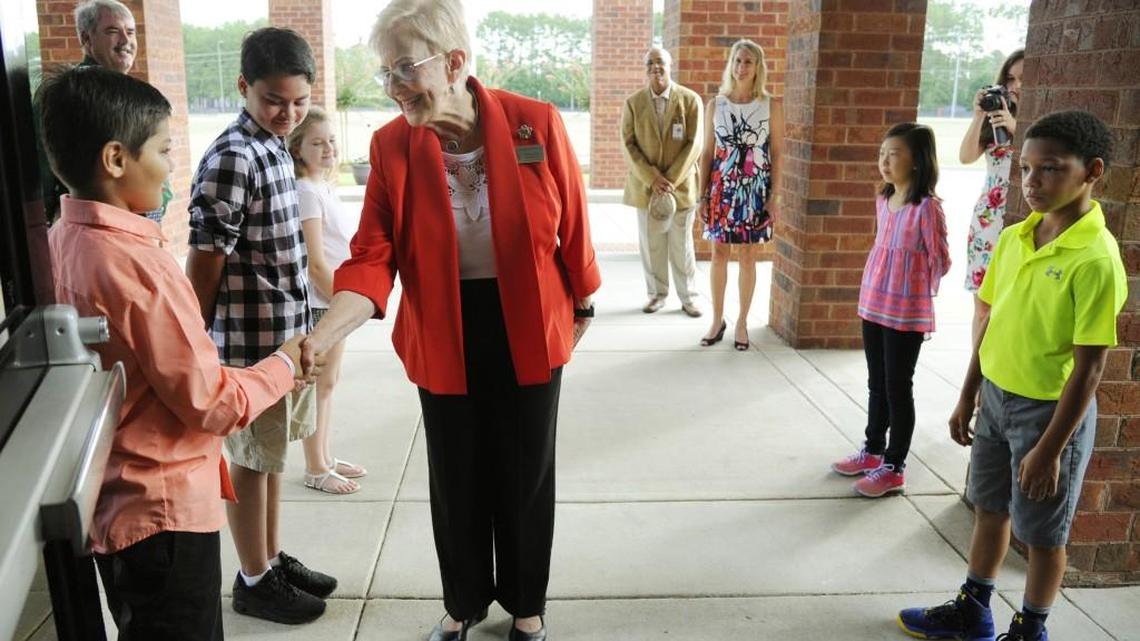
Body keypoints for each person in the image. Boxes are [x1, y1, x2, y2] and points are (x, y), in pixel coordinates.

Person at [300, 1, 601, 639]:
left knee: (524, 475)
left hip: (529, 324)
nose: (392, 86)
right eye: (385, 73)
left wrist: (584, 302)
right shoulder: (390, 147)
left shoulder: (534, 123)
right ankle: (463, 605)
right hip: (442, 327)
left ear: (455, 62)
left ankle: (526, 607)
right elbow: (372, 256)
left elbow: (573, 226)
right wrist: (323, 335)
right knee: (456, 476)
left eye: (403, 68)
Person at [38, 65, 318, 640]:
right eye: (164, 150)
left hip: (112, 503)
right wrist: (284, 365)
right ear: (116, 160)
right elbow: (209, 402)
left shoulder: (59, 241)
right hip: (161, 513)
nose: (171, 168)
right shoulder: (136, 266)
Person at [899, 110, 1125, 641]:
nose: (1032, 182)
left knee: (1043, 535)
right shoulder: (1016, 236)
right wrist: (967, 395)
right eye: (1025, 168)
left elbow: (1090, 368)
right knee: (990, 508)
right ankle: (974, 609)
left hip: (1049, 416)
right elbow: (991, 321)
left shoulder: (1095, 258)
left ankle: (1031, 629)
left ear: (1091, 171)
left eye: (1049, 169)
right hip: (996, 398)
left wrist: (1049, 449)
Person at [186, 27, 334, 625]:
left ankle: (269, 558)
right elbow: (205, 262)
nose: (288, 113)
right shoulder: (232, 157)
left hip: (284, 340)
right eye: (275, 100)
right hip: (247, 350)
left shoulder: (277, 146)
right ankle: (251, 579)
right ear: (243, 86)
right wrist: (197, 338)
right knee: (249, 461)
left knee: (272, 458)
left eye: (299, 102)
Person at [830, 123, 950, 498]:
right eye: (882, 153)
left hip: (905, 312)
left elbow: (941, 259)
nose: (884, 160)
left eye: (894, 153)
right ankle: (872, 449)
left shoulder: (927, 208)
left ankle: (894, 466)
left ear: (917, 161)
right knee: (876, 382)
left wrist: (912, 284)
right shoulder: (883, 200)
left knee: (899, 387)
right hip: (874, 303)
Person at [286, 106, 366, 495]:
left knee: (329, 383)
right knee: (318, 387)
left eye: (331, 140)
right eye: (316, 142)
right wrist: (343, 307)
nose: (328, 148)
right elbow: (316, 262)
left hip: (334, 298)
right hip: (323, 301)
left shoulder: (323, 186)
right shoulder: (304, 191)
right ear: (297, 148)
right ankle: (315, 468)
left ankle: (326, 456)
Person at [36, 0, 172, 224]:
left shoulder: (129, 90)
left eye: (130, 32)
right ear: (86, 39)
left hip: (138, 221)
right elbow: (46, 164)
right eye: (112, 31)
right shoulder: (72, 93)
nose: (126, 40)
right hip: (102, 225)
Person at [698, 39, 783, 350]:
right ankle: (716, 318)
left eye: (748, 62)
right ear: (730, 65)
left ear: (758, 67)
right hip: (721, 189)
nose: (741, 67)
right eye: (737, 61)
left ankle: (742, 322)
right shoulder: (715, 105)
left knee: (748, 257)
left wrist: (774, 197)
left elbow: (777, 154)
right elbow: (707, 153)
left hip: (755, 191)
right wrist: (702, 195)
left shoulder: (771, 105)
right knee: (718, 253)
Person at [620, 45, 703, 317]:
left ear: (670, 66)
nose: (656, 67)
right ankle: (656, 295)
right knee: (651, 244)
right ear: (645, 70)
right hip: (646, 187)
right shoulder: (633, 103)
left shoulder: (690, 100)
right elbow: (628, 144)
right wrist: (653, 177)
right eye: (650, 63)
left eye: (661, 63)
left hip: (681, 187)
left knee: (682, 245)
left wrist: (670, 179)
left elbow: (695, 143)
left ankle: (689, 297)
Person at [961, 49, 1024, 345]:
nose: (1015, 86)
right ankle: (976, 386)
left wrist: (1017, 129)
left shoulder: (1037, 120)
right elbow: (965, 157)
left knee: (1012, 306)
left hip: (1022, 220)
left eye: (1023, 79)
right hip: (988, 221)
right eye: (1011, 78)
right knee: (983, 304)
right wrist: (979, 116)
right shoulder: (995, 115)